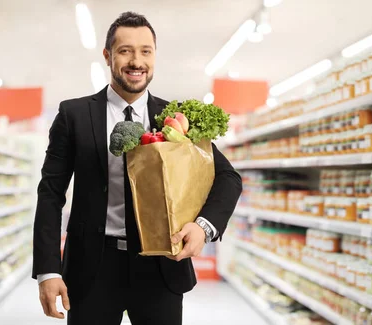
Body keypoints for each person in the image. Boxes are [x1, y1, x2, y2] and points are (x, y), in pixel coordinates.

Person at [32, 11, 242, 325]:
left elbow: (228, 177)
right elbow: (50, 193)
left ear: (154, 56)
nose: (136, 61)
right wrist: (48, 270)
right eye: (125, 50)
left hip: (161, 264)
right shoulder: (73, 114)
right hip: (93, 267)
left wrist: (203, 226)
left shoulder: (176, 117)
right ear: (108, 55)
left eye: (146, 51)